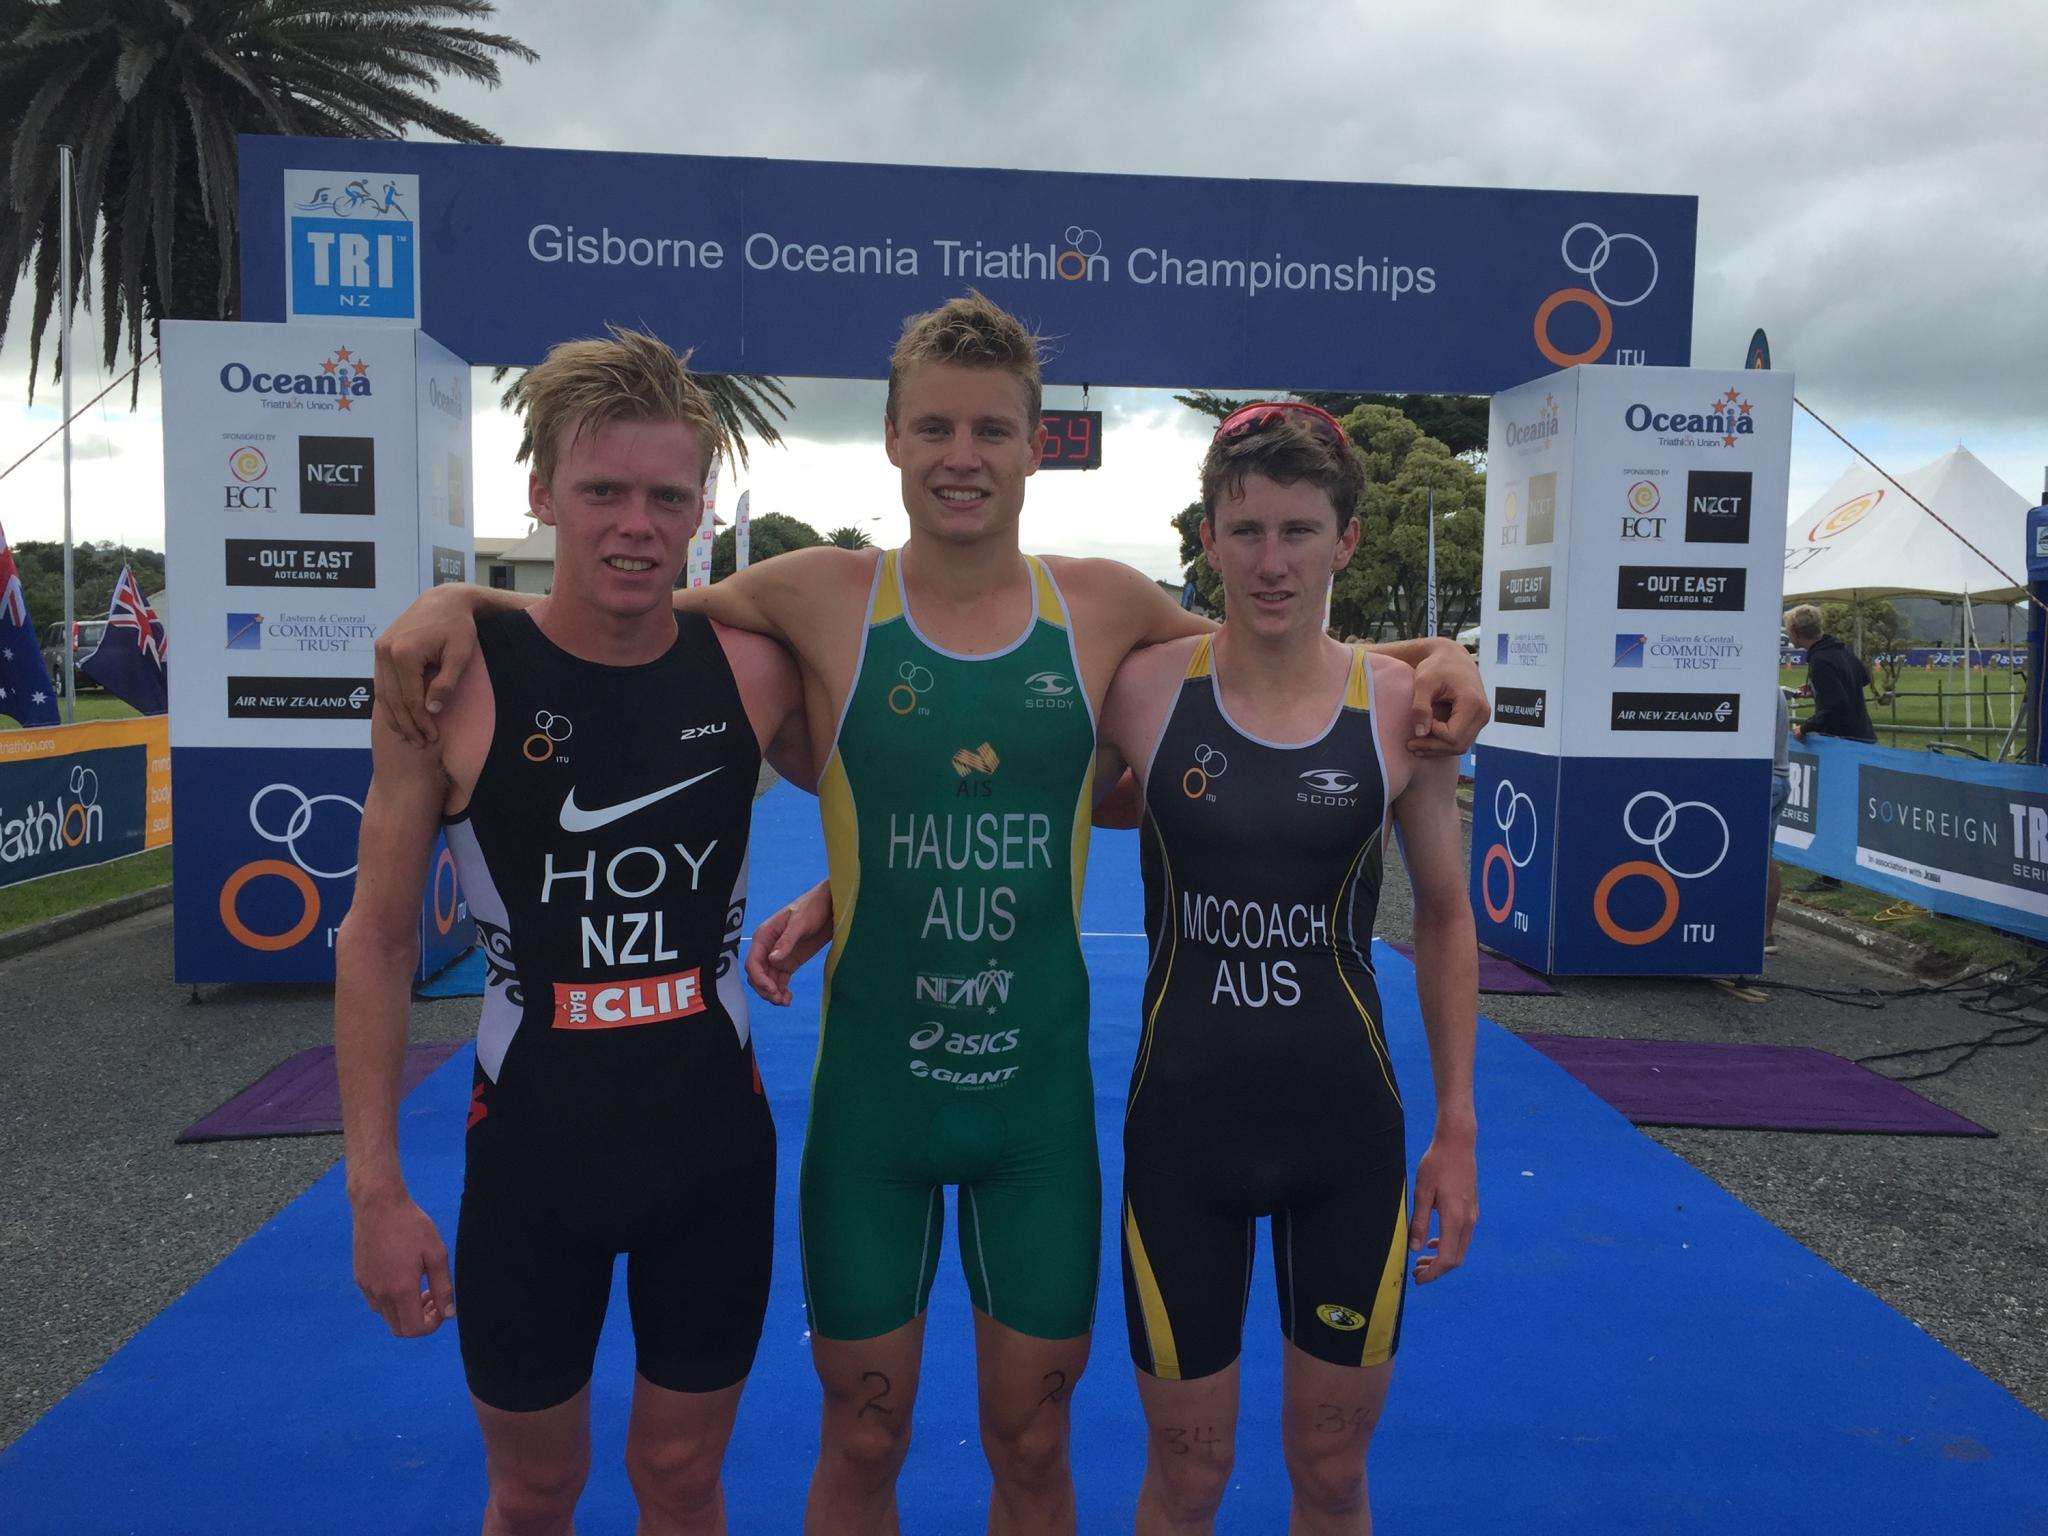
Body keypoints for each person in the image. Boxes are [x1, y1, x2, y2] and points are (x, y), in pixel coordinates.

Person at [374, 291, 1491, 1535]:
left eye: (993, 430)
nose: (964, 456)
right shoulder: (813, 595)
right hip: (876, 1117)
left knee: (1031, 1440)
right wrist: (455, 607)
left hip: (1034, 1120)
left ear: (1034, 448)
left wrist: (1440, 652)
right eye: (936, 428)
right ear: (893, 442)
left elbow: (1280, 654)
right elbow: (599, 616)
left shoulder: (1103, 610)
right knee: (862, 1436)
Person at [758, 402, 1480, 1534]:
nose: (1272, 560)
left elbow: (1444, 919)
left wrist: (1459, 1128)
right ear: (1206, 537)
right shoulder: (1144, 690)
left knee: (1332, 1474)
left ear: (1345, 540)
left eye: (1300, 531)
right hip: (1182, 1142)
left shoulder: (1402, 713)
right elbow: (994, 785)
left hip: (1349, 1138)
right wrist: (839, 892)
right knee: (1185, 1477)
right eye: (1245, 532)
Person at [336, 327, 811, 1536]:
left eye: (665, 496)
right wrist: (376, 1193)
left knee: (682, 1481)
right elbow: (377, 942)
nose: (634, 525)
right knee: (536, 1488)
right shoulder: (448, 679)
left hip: (713, 1153)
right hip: (532, 1160)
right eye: (601, 491)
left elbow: (911, 793)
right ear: (541, 493)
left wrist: (832, 902)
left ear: (701, 510)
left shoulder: (750, 668)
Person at [1785, 604, 1879, 744]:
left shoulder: (1820, 660)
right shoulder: (1842, 650)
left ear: (1795, 632)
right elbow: (1862, 679)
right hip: (1864, 734)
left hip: (1843, 741)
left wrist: (1804, 728)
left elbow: (1834, 707)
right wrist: (1820, 690)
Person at [1766, 684, 1792, 954]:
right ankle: (1765, 934)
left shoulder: (1760, 686)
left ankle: (1762, 933)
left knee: (1758, 856)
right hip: (1777, 777)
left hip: (1766, 776)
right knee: (1765, 856)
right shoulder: (1773, 687)